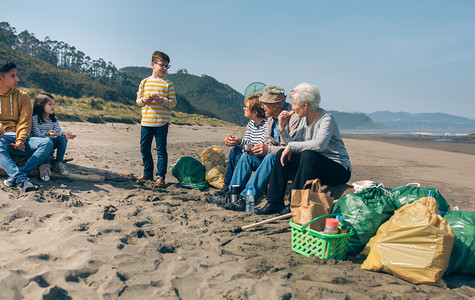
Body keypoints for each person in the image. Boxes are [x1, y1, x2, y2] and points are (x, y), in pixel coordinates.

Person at [256, 82, 351, 215]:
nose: (293, 108)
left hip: (338, 168)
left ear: (305, 105)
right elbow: (293, 146)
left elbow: (319, 144)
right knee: (282, 153)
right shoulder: (303, 120)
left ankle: (294, 203)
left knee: (308, 154)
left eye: (294, 104)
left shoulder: (326, 119)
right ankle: (274, 202)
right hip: (314, 165)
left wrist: (291, 146)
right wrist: (282, 128)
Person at [207, 85, 300, 211]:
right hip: (272, 159)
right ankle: (232, 195)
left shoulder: (293, 118)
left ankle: (246, 199)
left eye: (264, 104)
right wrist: (255, 149)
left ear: (274, 105)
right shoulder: (271, 119)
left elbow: (293, 147)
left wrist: (267, 149)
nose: (261, 107)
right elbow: (267, 141)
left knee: (271, 156)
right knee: (246, 156)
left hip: (286, 163)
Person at [0, 61, 53, 192]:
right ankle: (22, 180)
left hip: (21, 139)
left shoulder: (23, 97)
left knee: (47, 143)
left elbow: (25, 121)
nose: (17, 79)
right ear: (1, 78)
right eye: (13, 76)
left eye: (16, 75)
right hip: (1, 139)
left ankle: (18, 176)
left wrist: (20, 139)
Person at [136, 51, 176, 187]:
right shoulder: (144, 82)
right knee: (144, 149)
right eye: (162, 65)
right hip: (146, 121)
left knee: (161, 151)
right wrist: (144, 99)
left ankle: (160, 176)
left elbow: (173, 103)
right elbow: (138, 101)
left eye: (167, 66)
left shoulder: (168, 84)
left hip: (162, 122)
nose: (165, 68)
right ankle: (147, 173)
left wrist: (162, 101)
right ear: (153, 64)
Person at [217, 94, 267, 194]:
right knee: (235, 151)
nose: (244, 108)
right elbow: (248, 143)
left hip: (261, 157)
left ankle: (235, 188)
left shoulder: (267, 125)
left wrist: (240, 141)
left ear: (254, 112)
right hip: (251, 153)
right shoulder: (251, 124)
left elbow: (259, 146)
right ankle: (228, 184)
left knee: (242, 154)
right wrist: (237, 142)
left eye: (246, 107)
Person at [31, 93, 75, 181]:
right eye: (50, 104)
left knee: (62, 139)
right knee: (47, 140)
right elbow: (36, 134)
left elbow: (57, 130)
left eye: (54, 104)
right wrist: (47, 133)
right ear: (41, 105)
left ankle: (58, 163)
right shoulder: (35, 119)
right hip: (39, 144)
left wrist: (64, 133)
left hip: (50, 141)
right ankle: (45, 165)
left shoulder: (53, 118)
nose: (53, 107)